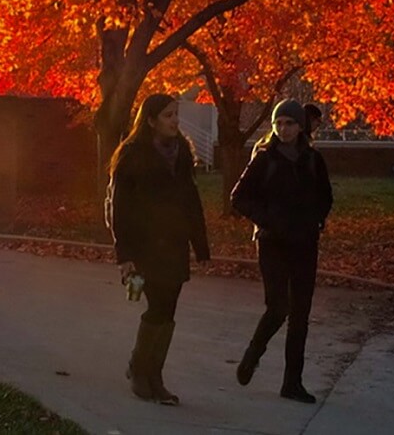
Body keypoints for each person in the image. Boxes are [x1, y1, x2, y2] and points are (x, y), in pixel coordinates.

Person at [106, 93, 211, 406]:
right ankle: (140, 370)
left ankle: (155, 375)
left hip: (175, 244)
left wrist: (201, 245)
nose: (175, 121)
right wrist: (125, 256)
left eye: (176, 114)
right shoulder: (132, 155)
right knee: (157, 307)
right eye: (168, 115)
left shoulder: (182, 153)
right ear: (150, 121)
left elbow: (191, 201)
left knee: (169, 310)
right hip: (145, 247)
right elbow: (119, 209)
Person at [230, 99, 333, 404]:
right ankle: (253, 353)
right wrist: (267, 219)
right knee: (277, 307)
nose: (283, 129)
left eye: (289, 123)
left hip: (304, 243)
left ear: (300, 126)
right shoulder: (265, 158)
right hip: (272, 242)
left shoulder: (313, 159)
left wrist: (316, 219)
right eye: (278, 123)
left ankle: (292, 382)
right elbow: (239, 197)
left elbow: (325, 196)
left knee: (300, 315)